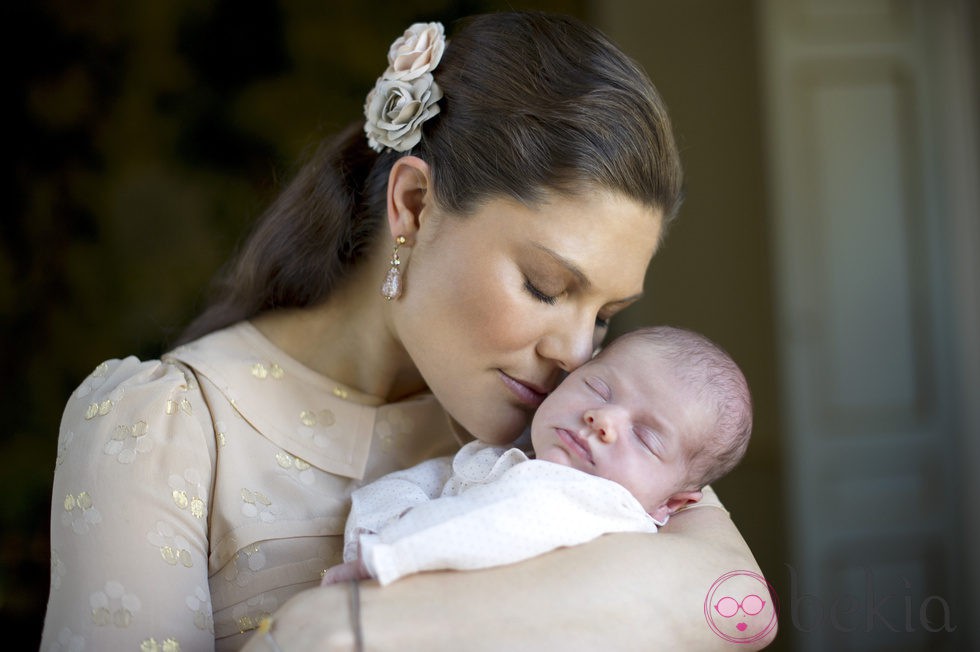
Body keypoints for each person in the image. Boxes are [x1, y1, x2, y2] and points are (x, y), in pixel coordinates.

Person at [42, 11, 775, 652]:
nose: (576, 354)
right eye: (546, 287)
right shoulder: (165, 423)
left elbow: (740, 609)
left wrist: (354, 629)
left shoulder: (582, 437)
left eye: (606, 316)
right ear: (415, 205)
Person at [322, 326, 752, 587]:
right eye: (598, 388)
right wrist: (378, 529)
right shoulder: (512, 454)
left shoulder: (601, 506)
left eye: (645, 437)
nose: (602, 418)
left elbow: (496, 525)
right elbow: (422, 481)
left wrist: (388, 556)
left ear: (670, 504)